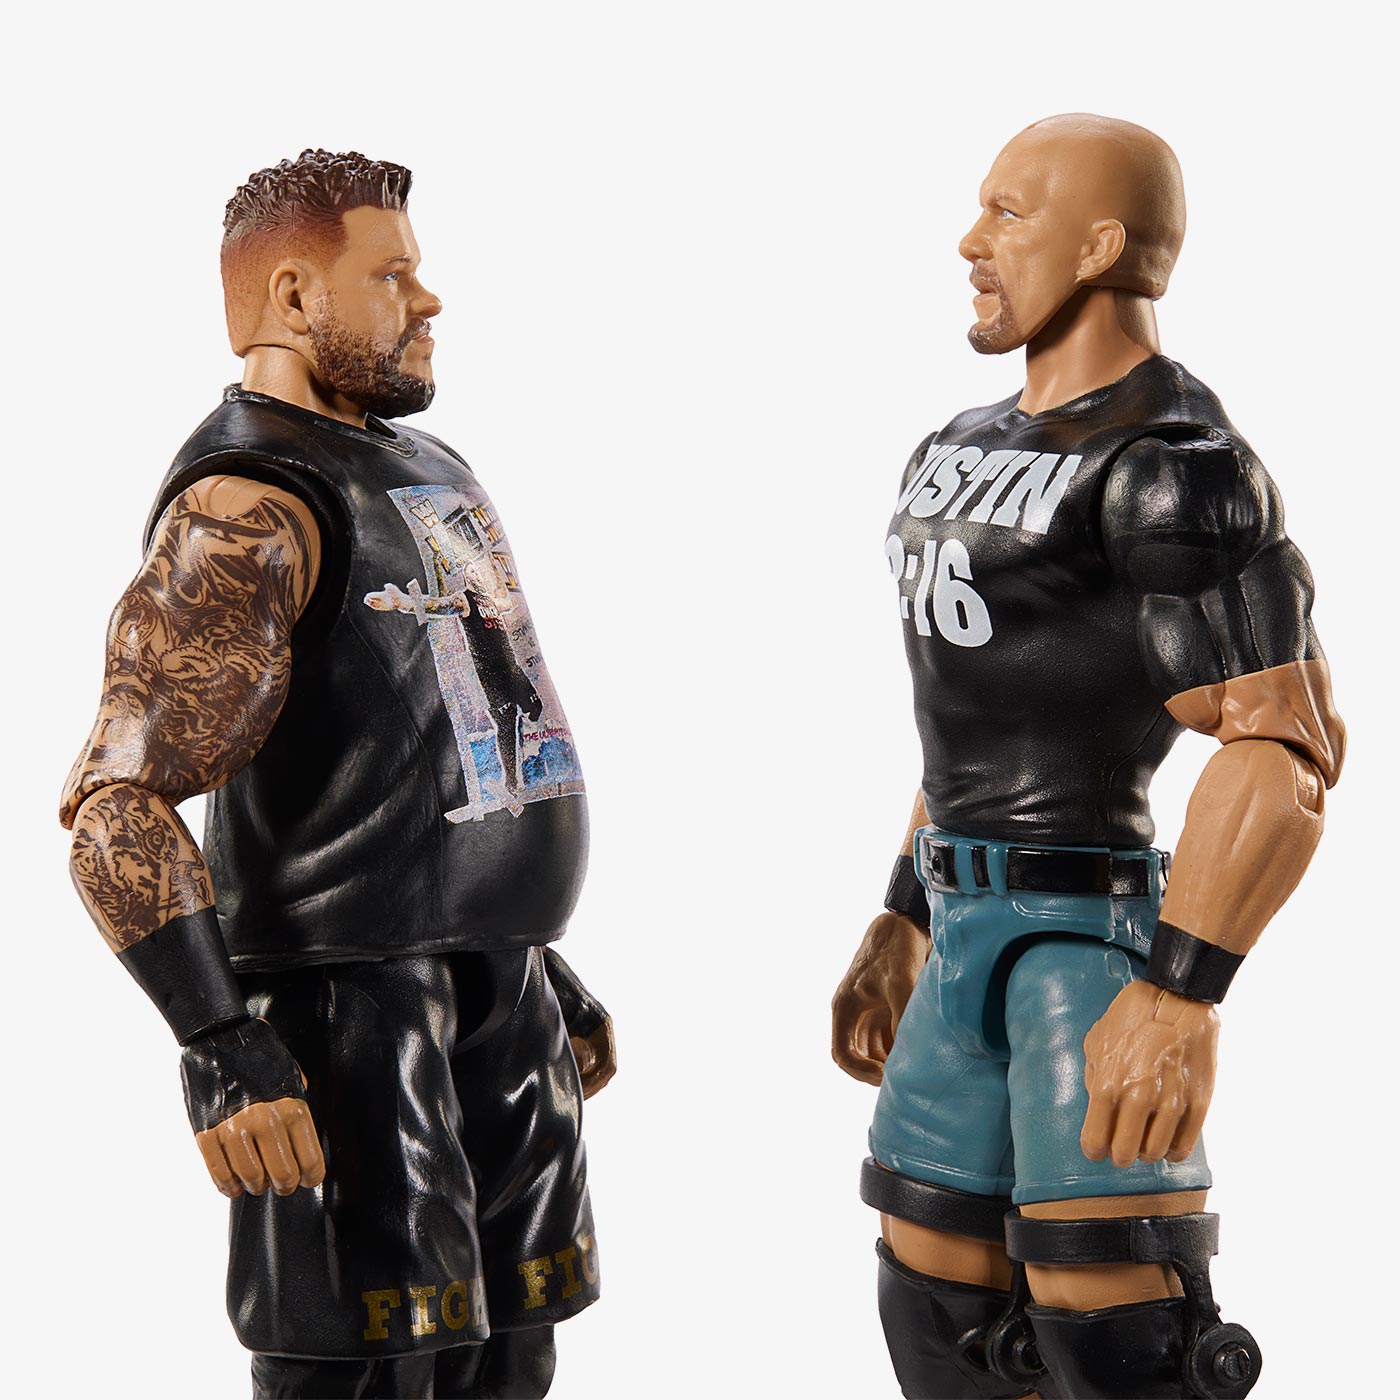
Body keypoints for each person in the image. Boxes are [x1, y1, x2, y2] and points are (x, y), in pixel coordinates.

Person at [61, 149, 615, 1399]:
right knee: (372, 1358)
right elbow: (115, 806)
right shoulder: (248, 504)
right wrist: (221, 1040)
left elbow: (459, 724)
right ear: (297, 296)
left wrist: (523, 950)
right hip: (344, 1016)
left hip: (495, 991)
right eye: (393, 276)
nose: (428, 299)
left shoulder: (426, 467)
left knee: (513, 1346)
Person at [831, 114, 1343, 1399]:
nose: (970, 240)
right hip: (955, 926)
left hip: (1081, 943)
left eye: (1007, 212)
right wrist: (898, 913)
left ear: (1100, 244)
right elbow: (977, 720)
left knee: (1108, 1312)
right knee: (932, 1289)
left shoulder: (1173, 467)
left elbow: (1279, 747)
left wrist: (1179, 991)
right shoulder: (953, 449)